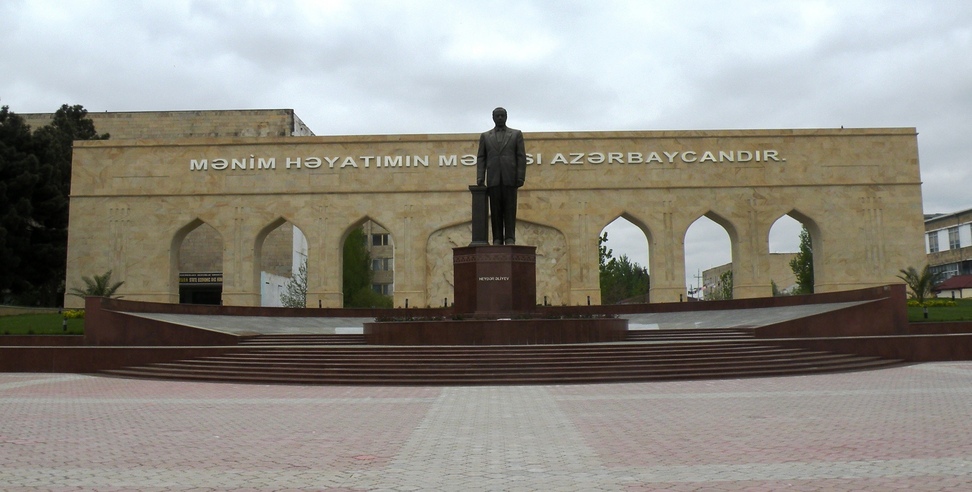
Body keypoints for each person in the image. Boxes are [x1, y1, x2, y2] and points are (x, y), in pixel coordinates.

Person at [476, 107, 526, 245]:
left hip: (510, 178)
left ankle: (510, 237)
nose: (499, 118)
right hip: (493, 179)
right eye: (497, 116)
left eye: (502, 115)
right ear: (493, 117)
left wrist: (521, 176)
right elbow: (481, 157)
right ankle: (497, 238)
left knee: (510, 209)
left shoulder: (516, 134)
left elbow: (521, 157)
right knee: (496, 210)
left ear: (506, 117)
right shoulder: (485, 136)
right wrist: (480, 176)